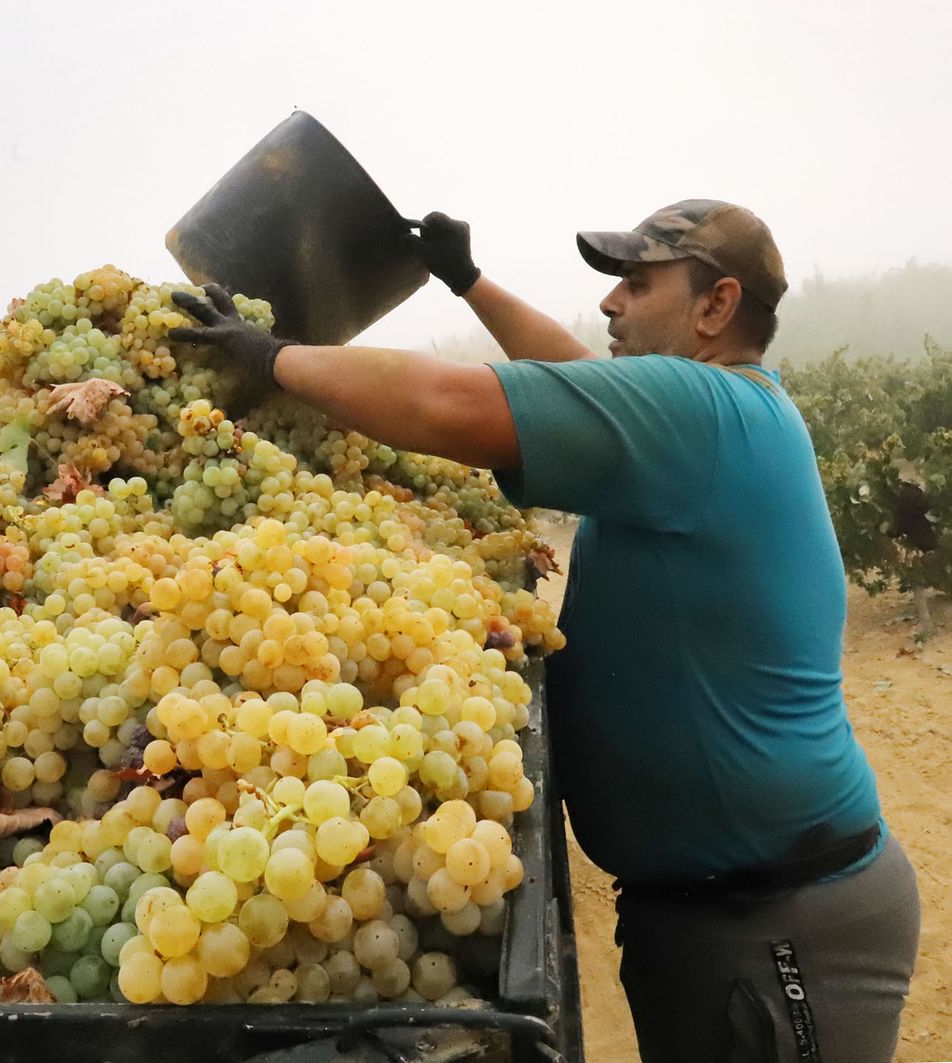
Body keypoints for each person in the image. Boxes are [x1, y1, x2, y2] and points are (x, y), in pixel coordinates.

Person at [169, 199, 921, 1063]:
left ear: (716, 306)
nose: (609, 304)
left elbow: (454, 401)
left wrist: (278, 360)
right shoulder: (711, 416)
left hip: (782, 923)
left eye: (637, 284)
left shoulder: (706, 413)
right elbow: (565, 367)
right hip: (719, 905)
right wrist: (467, 282)